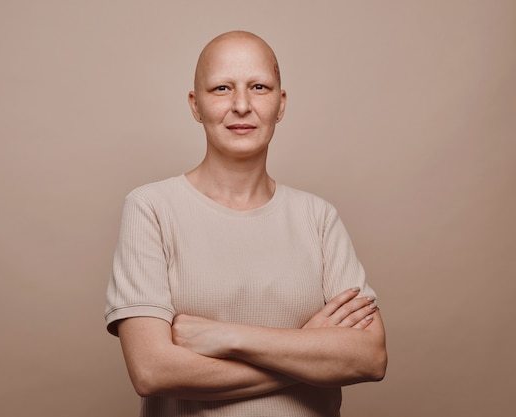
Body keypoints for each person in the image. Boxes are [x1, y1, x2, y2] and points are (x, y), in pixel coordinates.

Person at [105, 30, 387, 417]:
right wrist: (307, 351)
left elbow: (369, 358)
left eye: (259, 87)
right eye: (221, 88)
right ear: (195, 104)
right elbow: (153, 371)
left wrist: (228, 337)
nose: (241, 105)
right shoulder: (151, 208)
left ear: (281, 103)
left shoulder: (318, 217)